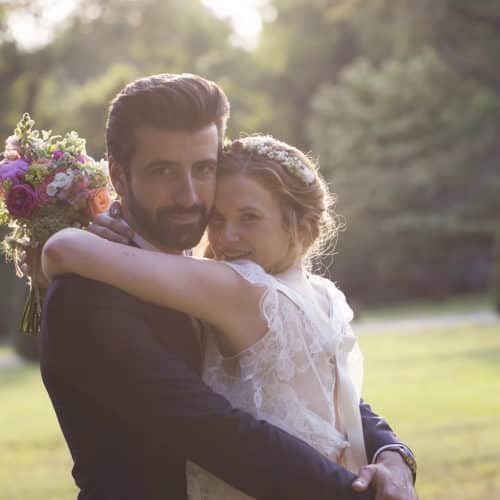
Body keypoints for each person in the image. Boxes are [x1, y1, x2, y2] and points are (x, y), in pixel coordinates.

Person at [39, 73, 417, 500]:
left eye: (203, 169)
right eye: (163, 171)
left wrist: (392, 453)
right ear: (119, 176)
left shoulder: (216, 269)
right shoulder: (89, 299)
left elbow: (311, 377)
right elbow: (220, 433)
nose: (188, 195)